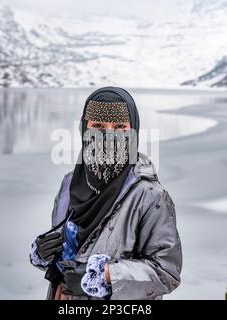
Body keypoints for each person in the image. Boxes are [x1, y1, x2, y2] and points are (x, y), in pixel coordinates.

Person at [29, 86, 182, 300]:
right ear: (84, 130)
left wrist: (106, 276)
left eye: (119, 127)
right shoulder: (68, 185)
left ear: (133, 132)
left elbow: (166, 272)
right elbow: (71, 248)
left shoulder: (150, 196)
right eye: (98, 126)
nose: (108, 136)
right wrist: (45, 253)